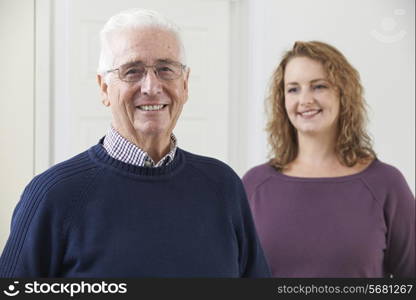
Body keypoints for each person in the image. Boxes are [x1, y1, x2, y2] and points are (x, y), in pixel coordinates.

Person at [0, 9, 270, 278]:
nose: (151, 86)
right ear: (104, 88)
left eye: (166, 69)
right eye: (132, 71)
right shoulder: (52, 195)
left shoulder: (223, 186)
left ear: (185, 84)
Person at [242, 41, 415, 278]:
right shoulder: (254, 184)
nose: (305, 100)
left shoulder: (386, 184)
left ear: (343, 93)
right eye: (293, 89)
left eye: (319, 86)